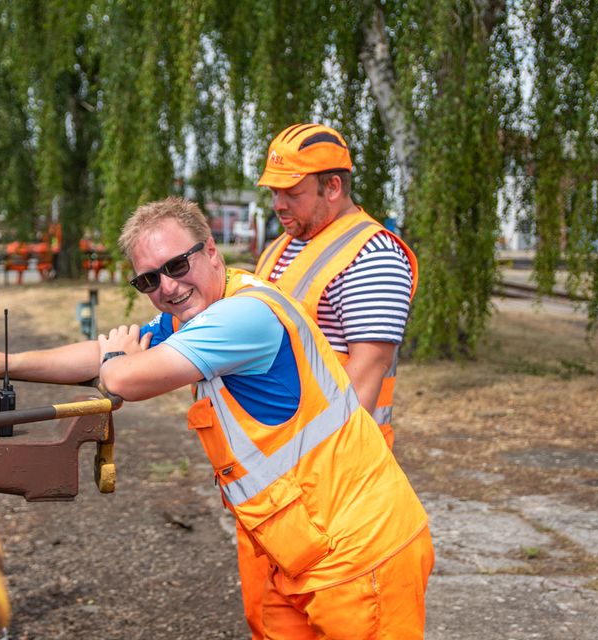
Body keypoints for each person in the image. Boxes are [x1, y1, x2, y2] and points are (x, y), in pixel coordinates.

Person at [0, 197, 433, 639]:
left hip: (359, 551)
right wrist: (3, 361)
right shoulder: (197, 312)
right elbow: (99, 354)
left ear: (212, 252)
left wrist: (116, 364)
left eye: (178, 265)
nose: (169, 287)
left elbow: (122, 378)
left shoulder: (243, 317)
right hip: (304, 548)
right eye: (149, 279)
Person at [238, 123, 420, 638]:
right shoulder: (279, 250)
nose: (278, 202)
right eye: (274, 190)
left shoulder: (373, 256)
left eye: (292, 191)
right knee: (274, 621)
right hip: (275, 484)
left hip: (334, 485)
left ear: (333, 187)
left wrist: (305, 482)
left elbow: (362, 384)